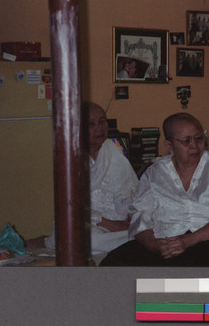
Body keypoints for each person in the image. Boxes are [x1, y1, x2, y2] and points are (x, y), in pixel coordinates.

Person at [100, 112, 209, 266]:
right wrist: (152, 244)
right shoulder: (154, 173)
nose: (194, 145)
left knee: (181, 269)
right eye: (186, 141)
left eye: (198, 138)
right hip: (168, 239)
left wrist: (188, 240)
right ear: (169, 146)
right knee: (112, 263)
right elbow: (140, 214)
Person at [27, 102, 139, 263]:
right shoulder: (72, 156)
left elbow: (134, 192)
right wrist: (110, 224)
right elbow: (71, 206)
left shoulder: (114, 152)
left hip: (121, 226)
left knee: (150, 231)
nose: (99, 128)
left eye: (102, 121)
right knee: (86, 239)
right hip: (90, 224)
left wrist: (132, 218)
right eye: (91, 124)